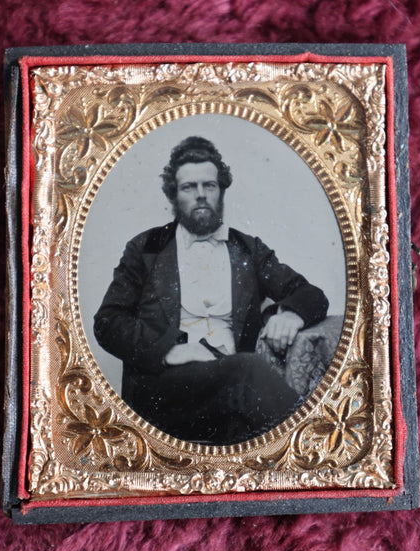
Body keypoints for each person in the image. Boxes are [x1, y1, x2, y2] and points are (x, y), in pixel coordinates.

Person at [94, 137, 328, 444]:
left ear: (221, 190)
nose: (201, 195)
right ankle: (314, 449)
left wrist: (290, 314)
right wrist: (168, 350)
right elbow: (108, 321)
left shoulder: (248, 249)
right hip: (165, 390)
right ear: (174, 195)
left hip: (231, 386)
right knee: (249, 371)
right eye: (189, 187)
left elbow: (311, 293)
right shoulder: (146, 249)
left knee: (245, 375)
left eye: (210, 185)